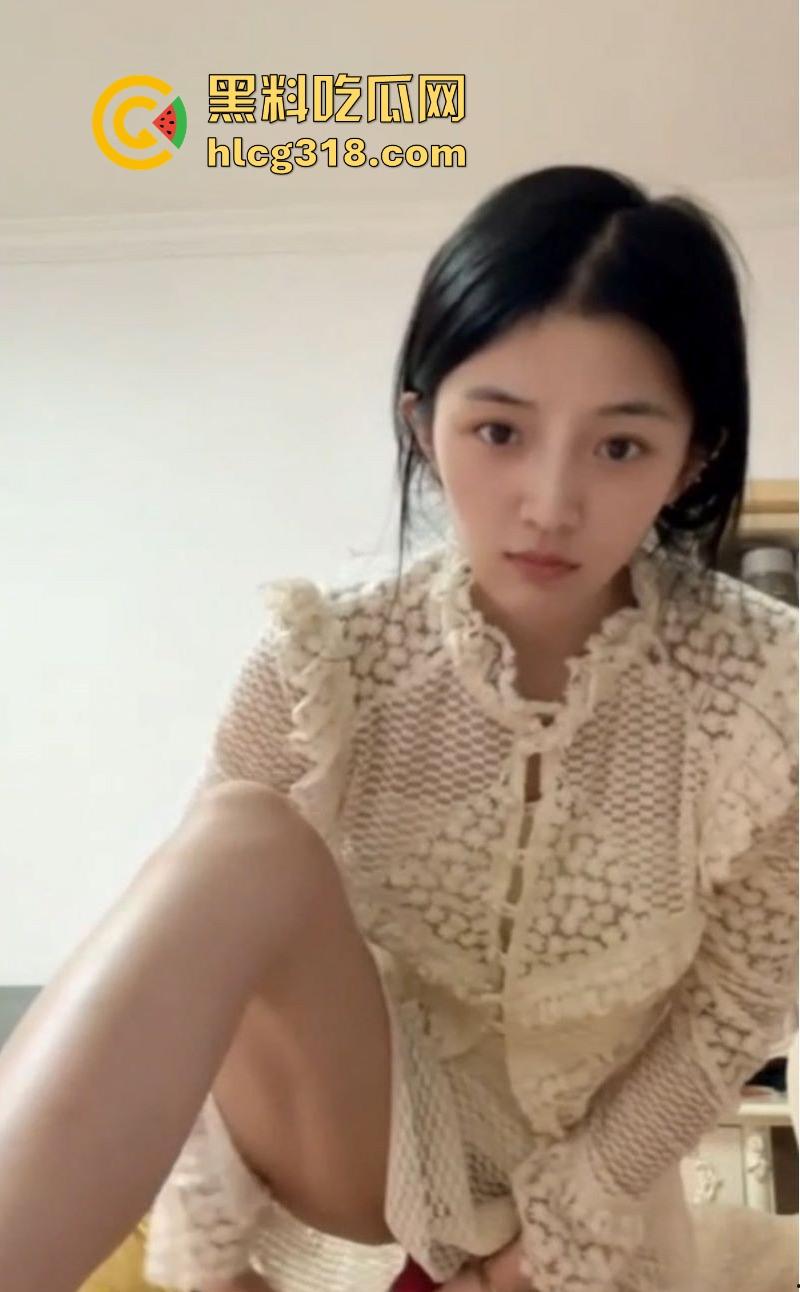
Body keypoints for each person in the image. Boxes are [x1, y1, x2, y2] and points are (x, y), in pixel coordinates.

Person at [0, 164, 796, 1292]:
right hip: (360, 1141)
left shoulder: (764, 689)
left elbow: (733, 1011)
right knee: (241, 836)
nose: (549, 502)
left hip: (579, 1193)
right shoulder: (322, 657)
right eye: (499, 430)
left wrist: (544, 1247)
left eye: (618, 446)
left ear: (693, 457)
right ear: (422, 425)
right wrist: (211, 1260)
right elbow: (201, 970)